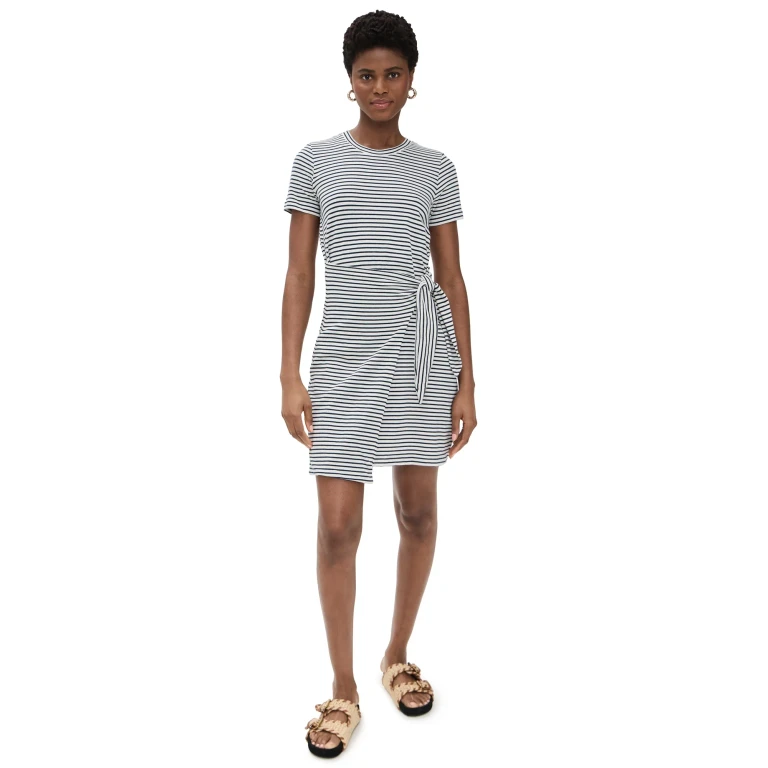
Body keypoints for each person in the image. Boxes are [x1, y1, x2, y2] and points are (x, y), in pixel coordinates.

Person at [280, 10, 477, 758]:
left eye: (393, 74)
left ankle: (396, 655)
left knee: (417, 514)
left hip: (420, 355)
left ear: (412, 80)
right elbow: (300, 273)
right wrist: (288, 372)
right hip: (342, 359)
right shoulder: (315, 162)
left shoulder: (436, 169)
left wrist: (467, 381)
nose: (380, 87)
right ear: (349, 81)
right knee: (338, 527)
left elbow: (452, 278)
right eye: (367, 75)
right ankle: (343, 686)